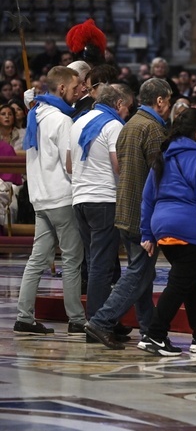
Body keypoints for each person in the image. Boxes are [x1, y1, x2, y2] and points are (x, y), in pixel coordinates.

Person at [85, 78, 171, 350]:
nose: (167, 107)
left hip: (124, 207)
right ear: (160, 101)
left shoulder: (129, 125)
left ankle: (149, 331)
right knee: (138, 273)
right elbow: (160, 176)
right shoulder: (154, 128)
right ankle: (102, 320)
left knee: (142, 275)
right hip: (143, 213)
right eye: (167, 101)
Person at [138, 108, 196, 356]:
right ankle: (154, 335)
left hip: (162, 227)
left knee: (193, 281)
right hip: (189, 228)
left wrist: (146, 233)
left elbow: (147, 198)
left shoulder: (162, 156)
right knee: (180, 284)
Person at [14, 66, 86, 335]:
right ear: (63, 88)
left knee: (37, 260)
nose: (78, 91)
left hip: (39, 197)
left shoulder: (36, 113)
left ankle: (24, 316)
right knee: (71, 260)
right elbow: (69, 163)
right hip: (61, 197)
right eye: (75, 86)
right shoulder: (61, 120)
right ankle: (77, 319)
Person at [67, 85, 133, 322]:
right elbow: (119, 166)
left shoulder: (78, 123)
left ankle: (107, 320)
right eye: (127, 107)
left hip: (80, 200)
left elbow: (69, 166)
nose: (126, 113)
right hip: (104, 199)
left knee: (95, 261)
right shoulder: (113, 125)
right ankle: (98, 322)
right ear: (117, 104)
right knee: (102, 267)